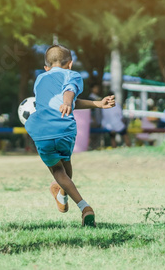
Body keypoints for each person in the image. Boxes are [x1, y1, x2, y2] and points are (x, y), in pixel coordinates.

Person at [24, 44, 115, 227]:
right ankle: (64, 196)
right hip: (65, 128)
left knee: (58, 171)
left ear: (46, 68)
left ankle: (83, 206)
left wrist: (70, 102)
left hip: (43, 131)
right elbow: (70, 91)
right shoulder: (72, 74)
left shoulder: (40, 79)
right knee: (66, 164)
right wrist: (76, 103)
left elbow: (68, 95)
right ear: (70, 64)